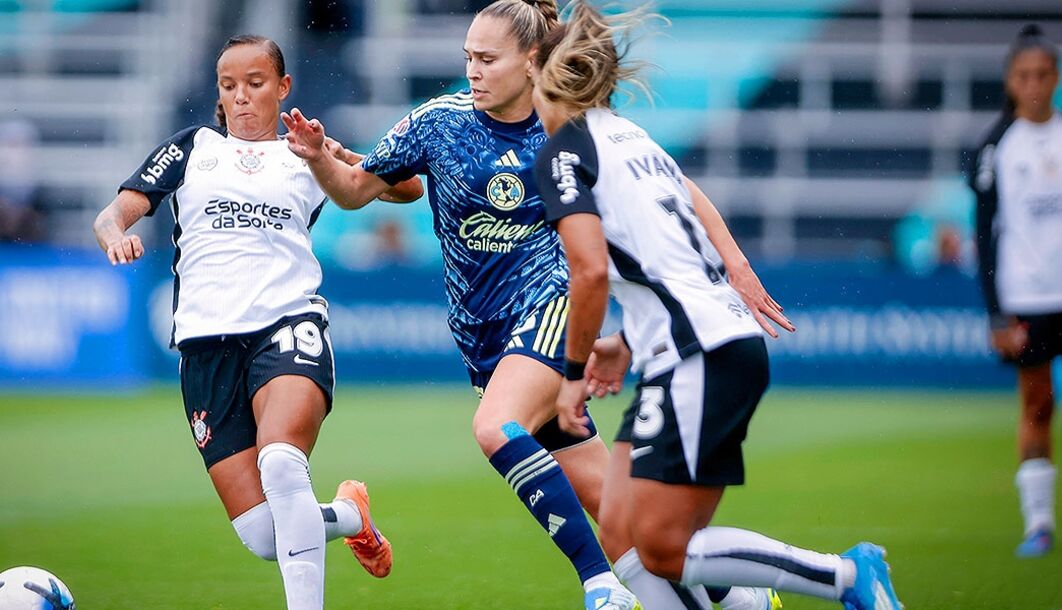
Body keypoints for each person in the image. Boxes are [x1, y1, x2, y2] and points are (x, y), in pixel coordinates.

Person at [283, 2, 786, 608]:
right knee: (623, 522)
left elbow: (676, 184)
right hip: (486, 344)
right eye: (468, 56)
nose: (472, 70)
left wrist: (735, 264)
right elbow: (358, 191)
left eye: (488, 59)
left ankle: (601, 588)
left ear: (531, 61)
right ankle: (746, 602)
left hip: (552, 308)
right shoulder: (438, 122)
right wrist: (319, 161)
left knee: (495, 428)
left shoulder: (566, 128)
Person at [532, 3, 905, 609]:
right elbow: (679, 262)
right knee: (622, 532)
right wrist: (626, 343)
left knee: (663, 545)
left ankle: (845, 575)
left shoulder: (565, 153)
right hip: (695, 347)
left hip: (698, 355)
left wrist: (573, 376)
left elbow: (590, 269)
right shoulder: (633, 140)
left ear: (540, 78)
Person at [91, 34, 422, 609]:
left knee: (281, 459)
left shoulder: (304, 151)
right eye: (228, 86)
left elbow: (404, 187)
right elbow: (115, 211)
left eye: (255, 83)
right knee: (266, 535)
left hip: (286, 326)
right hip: (205, 351)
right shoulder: (193, 148)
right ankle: (348, 515)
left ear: (283, 87)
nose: (241, 97)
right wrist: (114, 234)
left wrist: (325, 153)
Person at [970, 24, 1062, 558]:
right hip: (1029, 301)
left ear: (1057, 78)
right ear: (1010, 81)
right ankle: (1038, 525)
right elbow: (984, 234)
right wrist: (997, 315)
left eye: (1042, 74)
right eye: (1024, 75)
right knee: (1037, 408)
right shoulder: (996, 149)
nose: (1034, 84)